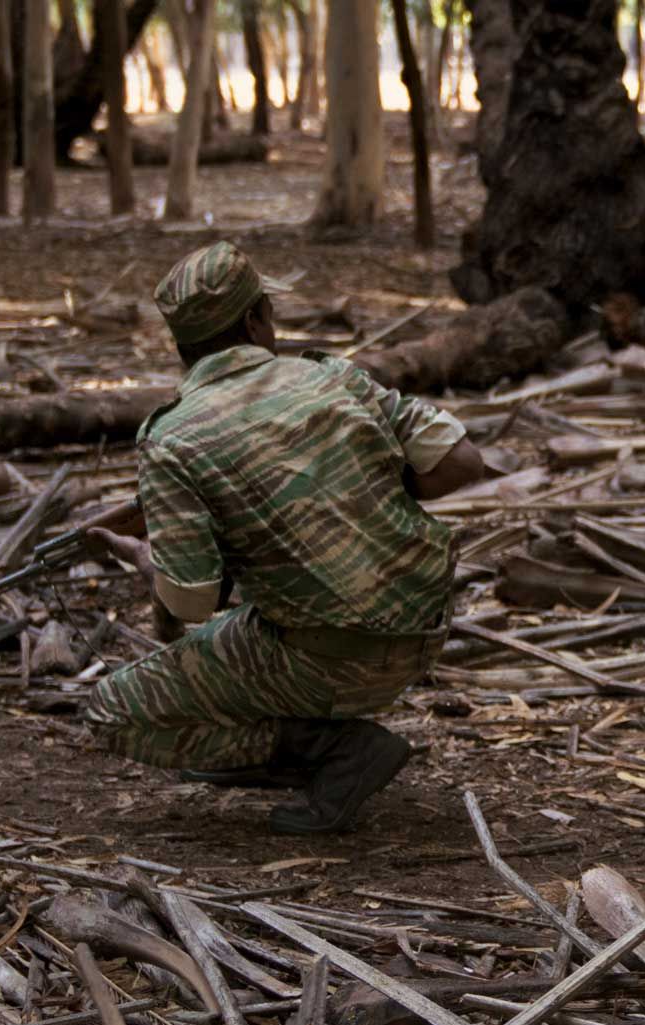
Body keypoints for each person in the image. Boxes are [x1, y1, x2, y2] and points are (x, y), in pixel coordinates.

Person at [78, 243, 489, 835]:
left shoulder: (172, 438)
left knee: (111, 713)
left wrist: (146, 558)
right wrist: (364, 486)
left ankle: (333, 752)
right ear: (254, 320)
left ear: (181, 344)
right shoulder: (332, 376)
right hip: (426, 628)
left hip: (324, 659)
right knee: (251, 626)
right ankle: (320, 747)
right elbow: (463, 462)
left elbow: (191, 602)